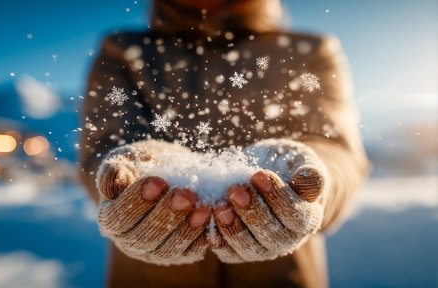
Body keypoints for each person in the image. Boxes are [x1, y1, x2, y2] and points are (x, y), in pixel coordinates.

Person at [79, 0, 370, 287]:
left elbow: (337, 149)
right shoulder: (124, 50)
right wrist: (130, 178)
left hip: (282, 275)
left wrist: (310, 180)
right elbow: (103, 150)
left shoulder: (307, 52)